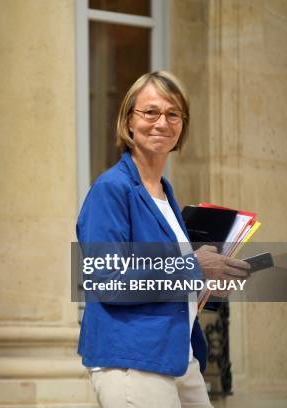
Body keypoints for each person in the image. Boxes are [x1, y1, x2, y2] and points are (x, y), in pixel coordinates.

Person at [77, 71, 251, 407]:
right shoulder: (111, 190)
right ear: (128, 122)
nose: (162, 122)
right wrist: (192, 265)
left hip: (177, 353)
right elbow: (106, 280)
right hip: (134, 359)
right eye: (150, 112)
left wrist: (209, 280)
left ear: (182, 126)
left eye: (173, 114)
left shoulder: (165, 193)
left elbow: (172, 277)